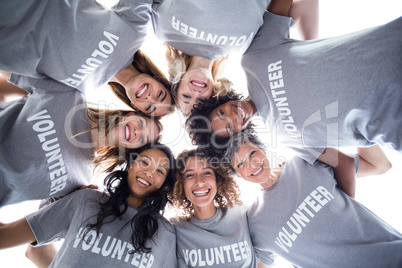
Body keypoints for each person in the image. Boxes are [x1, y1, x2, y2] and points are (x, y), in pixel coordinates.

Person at [188, 2, 402, 158]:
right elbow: (346, 166)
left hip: (390, 49)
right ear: (236, 135)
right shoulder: (284, 140)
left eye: (222, 112)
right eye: (228, 127)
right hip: (393, 124)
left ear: (220, 101)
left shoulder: (253, 60)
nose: (233, 116)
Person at [223, 129, 402, 267]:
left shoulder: (305, 159)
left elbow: (379, 165)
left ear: (262, 149)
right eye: (240, 164)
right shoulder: (255, 223)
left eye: (252, 153)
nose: (252, 164)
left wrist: (351, 124)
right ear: (238, 175)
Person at [0, 144, 178, 267]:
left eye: (160, 171)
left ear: (164, 183)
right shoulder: (87, 200)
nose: (148, 172)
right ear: (130, 165)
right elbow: (10, 238)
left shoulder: (165, 234)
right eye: (144, 162)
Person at [0, 74, 162, 207]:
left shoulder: (82, 179)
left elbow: (41, 223)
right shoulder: (69, 94)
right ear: (129, 115)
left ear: (131, 150)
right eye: (141, 123)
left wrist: (72, 202)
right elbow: (8, 79)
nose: (137, 131)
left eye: (143, 138)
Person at [0, 1, 174, 117]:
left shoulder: (82, 92)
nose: (150, 98)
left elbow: (19, 84)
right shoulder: (135, 32)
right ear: (158, 79)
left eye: (149, 108)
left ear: (135, 106)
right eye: (160, 94)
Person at [155, 0, 318, 116]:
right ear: (213, 95)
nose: (195, 93)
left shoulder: (164, 32)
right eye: (201, 101)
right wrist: (309, 58)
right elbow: (304, 6)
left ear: (177, 81)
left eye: (186, 97)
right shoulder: (246, 49)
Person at [169, 148, 273, 267]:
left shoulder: (242, 213)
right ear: (180, 183)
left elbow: (263, 261)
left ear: (218, 179)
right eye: (190, 175)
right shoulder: (175, 229)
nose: (199, 182)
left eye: (207, 173)